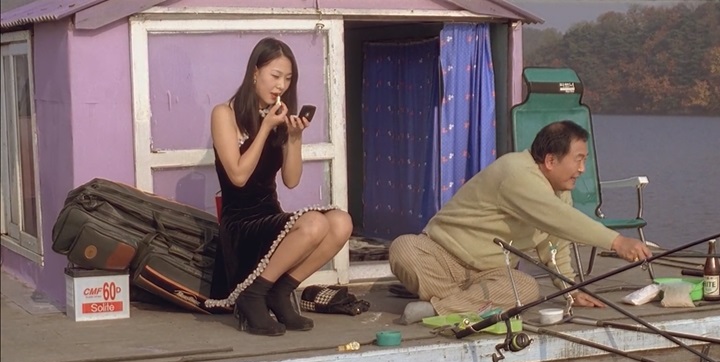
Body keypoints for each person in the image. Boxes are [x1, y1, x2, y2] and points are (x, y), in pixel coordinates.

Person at [389, 120, 652, 324]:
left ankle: (437, 308)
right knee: (404, 248)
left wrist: (569, 290)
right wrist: (616, 241)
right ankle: (461, 305)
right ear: (551, 160)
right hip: (443, 257)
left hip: (490, 273)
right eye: (578, 160)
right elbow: (559, 218)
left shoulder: (560, 193)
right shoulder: (515, 171)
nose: (582, 169)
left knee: (526, 289)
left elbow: (555, 247)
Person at [204, 37, 352, 336]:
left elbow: (291, 180)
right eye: (275, 76)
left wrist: (294, 138)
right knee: (314, 223)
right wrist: (265, 129)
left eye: (287, 78)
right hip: (241, 224)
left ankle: (279, 291)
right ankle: (253, 294)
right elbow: (238, 176)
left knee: (340, 222)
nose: (281, 85)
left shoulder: (279, 114)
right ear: (254, 72)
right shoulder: (225, 114)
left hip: (270, 216)